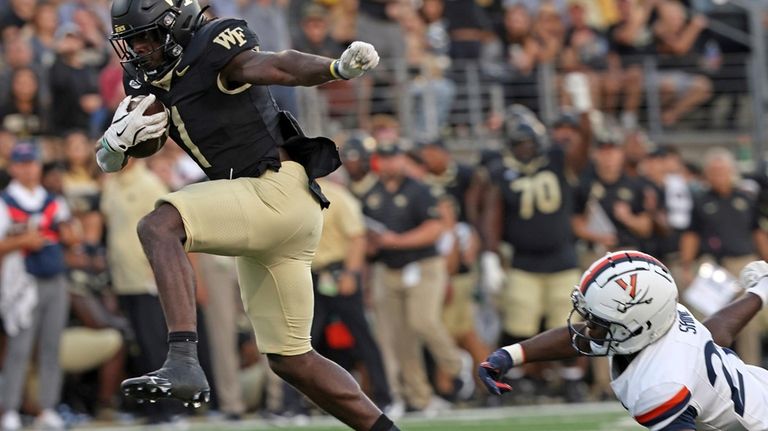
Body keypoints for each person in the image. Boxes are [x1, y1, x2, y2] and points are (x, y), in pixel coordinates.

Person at [95, 0, 397, 430]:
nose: (140, 49)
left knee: (158, 227)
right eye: (132, 41)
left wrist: (335, 69)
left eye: (146, 36)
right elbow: (139, 143)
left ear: (177, 23)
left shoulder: (211, 44)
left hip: (273, 191)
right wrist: (113, 147)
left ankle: (182, 357)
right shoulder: (150, 75)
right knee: (292, 359)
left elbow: (279, 66)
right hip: (274, 210)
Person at [479, 250, 768, 430]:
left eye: (596, 322)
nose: (587, 328)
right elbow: (716, 332)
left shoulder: (659, 385)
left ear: (638, 324)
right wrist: (510, 355)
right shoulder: (661, 317)